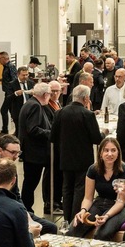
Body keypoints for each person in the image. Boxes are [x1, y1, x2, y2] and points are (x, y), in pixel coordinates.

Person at [0, 135, 58, 234]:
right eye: (12, 152)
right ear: (0, 150)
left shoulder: (10, 167)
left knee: (51, 228)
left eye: (18, 153)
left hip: (15, 210)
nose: (16, 156)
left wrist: (25, 214)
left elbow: (17, 195)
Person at [53, 84, 104, 223]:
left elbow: (53, 136)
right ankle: (76, 218)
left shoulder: (60, 112)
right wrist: (103, 134)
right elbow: (96, 139)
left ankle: (66, 218)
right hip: (83, 158)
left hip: (65, 156)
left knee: (67, 188)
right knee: (80, 189)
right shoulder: (87, 114)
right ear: (86, 98)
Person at [71, 137, 125, 241]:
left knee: (102, 233)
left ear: (118, 153)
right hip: (100, 202)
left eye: (113, 150)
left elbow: (120, 202)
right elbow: (88, 198)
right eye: (106, 150)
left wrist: (107, 216)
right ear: (100, 153)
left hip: (121, 206)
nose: (110, 154)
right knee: (73, 229)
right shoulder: (93, 169)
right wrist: (83, 211)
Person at [17, 83, 55, 215]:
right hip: (34, 153)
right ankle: (27, 209)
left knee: (30, 182)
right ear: (45, 95)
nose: (50, 97)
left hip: (32, 152)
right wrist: (51, 134)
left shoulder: (31, 103)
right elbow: (33, 129)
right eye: (50, 94)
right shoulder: (35, 106)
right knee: (31, 183)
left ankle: (27, 208)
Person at [0, 51, 19, 137]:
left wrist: (11, 91)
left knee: (4, 110)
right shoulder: (6, 67)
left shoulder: (10, 66)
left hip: (10, 93)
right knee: (11, 112)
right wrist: (1, 80)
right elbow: (8, 77)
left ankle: (5, 131)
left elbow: (14, 79)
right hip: (8, 92)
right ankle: (16, 130)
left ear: (5, 58)